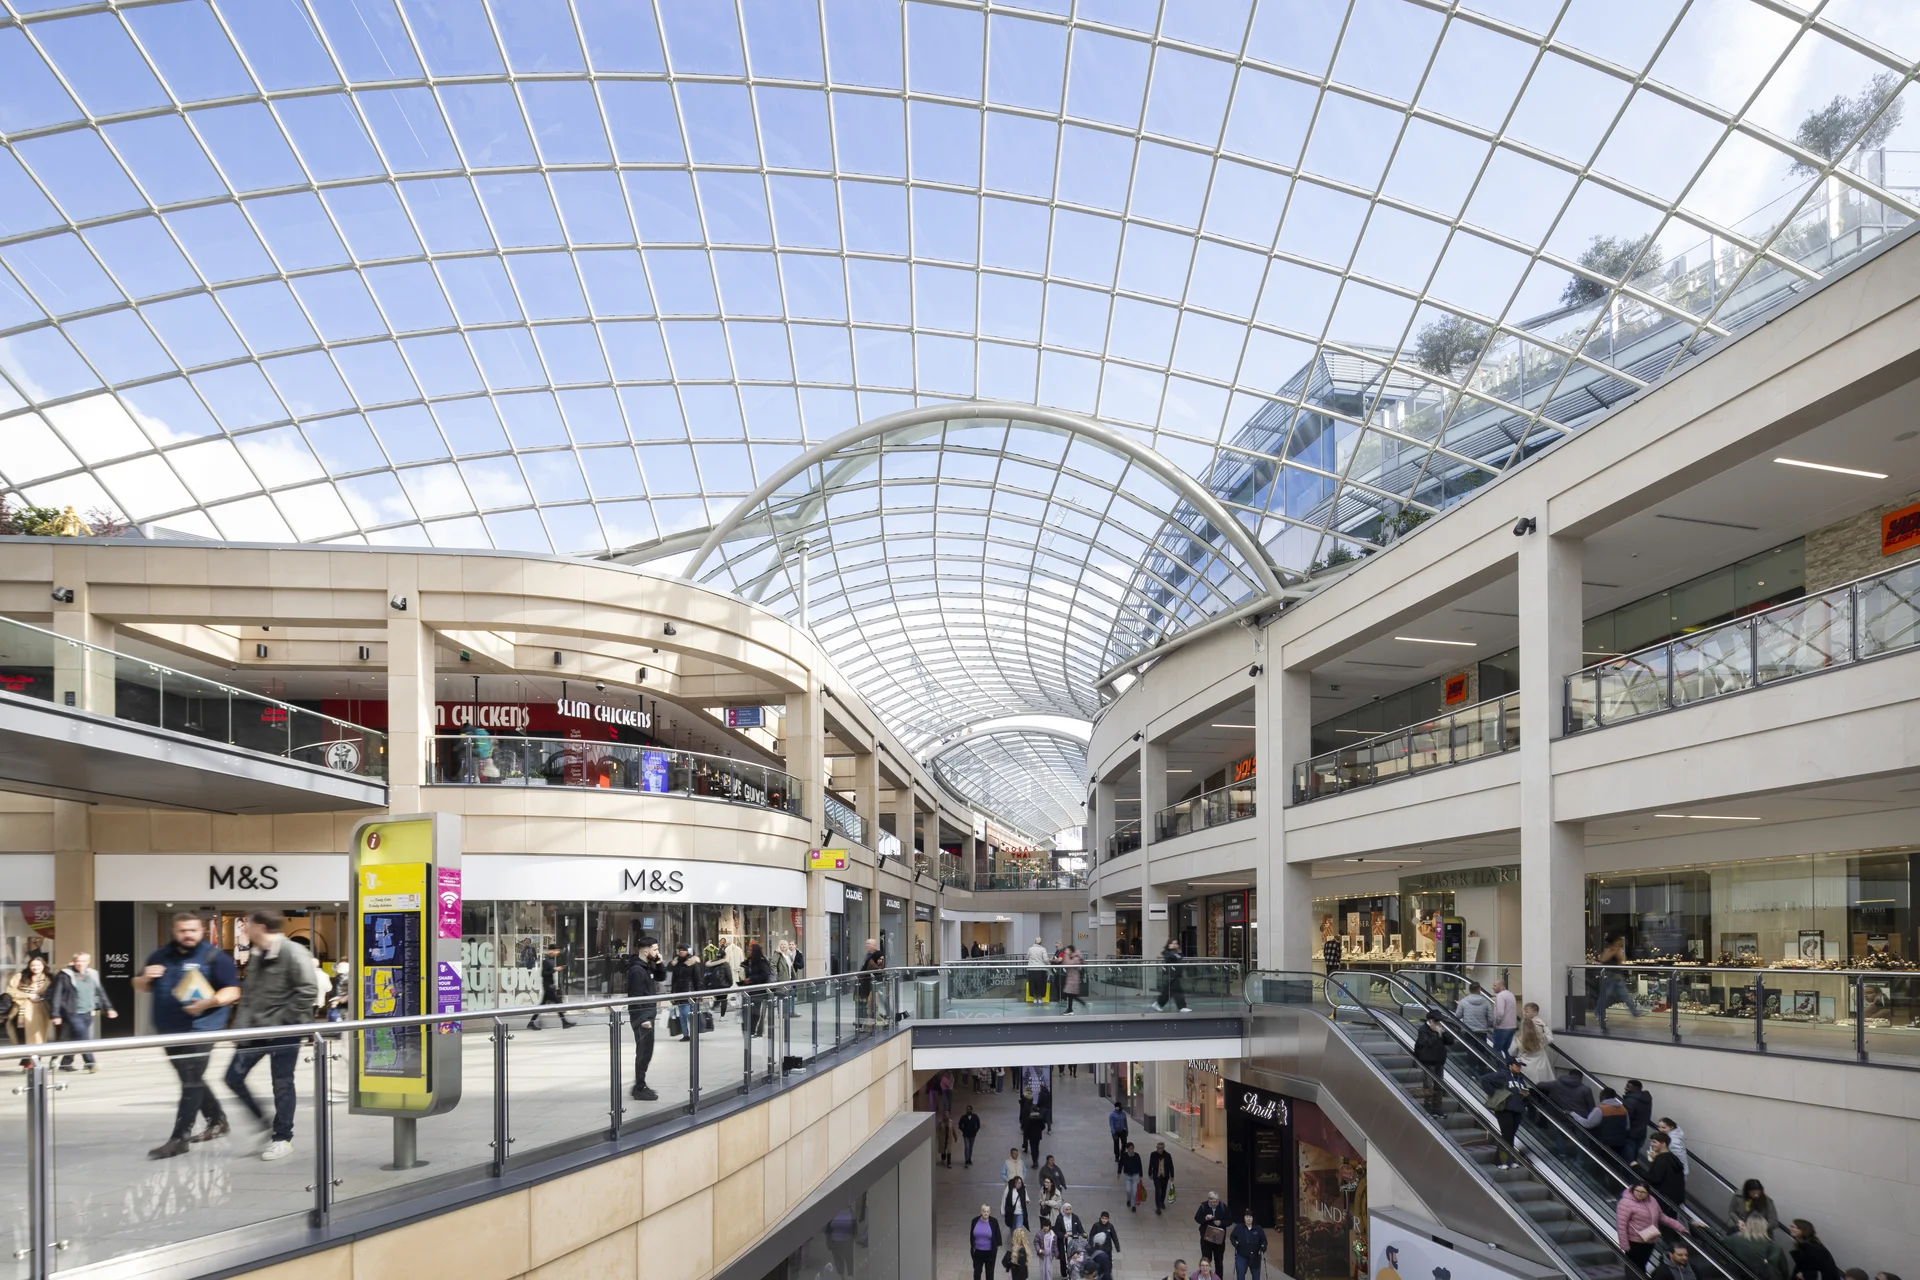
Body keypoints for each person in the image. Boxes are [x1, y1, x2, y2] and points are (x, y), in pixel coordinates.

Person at [136, 912, 241, 1159]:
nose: (188, 935)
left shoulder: (214, 957)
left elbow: (233, 990)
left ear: (202, 930)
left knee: (191, 1079)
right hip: (168, 1030)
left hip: (202, 1029)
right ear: (175, 931)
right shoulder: (160, 955)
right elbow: (139, 987)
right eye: (183, 930)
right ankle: (218, 1120)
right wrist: (143, 977)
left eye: (192, 930)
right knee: (191, 1077)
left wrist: (208, 1002)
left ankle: (180, 1138)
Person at [222, 910, 317, 1161]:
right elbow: (249, 997)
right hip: (256, 1030)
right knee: (232, 1077)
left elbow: (308, 990)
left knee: (282, 1082)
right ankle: (264, 1124)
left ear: (260, 927)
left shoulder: (292, 952)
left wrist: (284, 1020)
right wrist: (240, 1029)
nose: (244, 930)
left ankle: (282, 1137)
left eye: (247, 925)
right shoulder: (256, 954)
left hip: (284, 1030)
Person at [48, 951, 117, 1072]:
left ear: (88, 962)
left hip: (87, 1012)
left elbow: (100, 992)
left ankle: (65, 1063)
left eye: (83, 961)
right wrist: (55, 1014)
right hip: (71, 1012)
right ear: (74, 961)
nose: (80, 963)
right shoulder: (65, 974)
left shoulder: (92, 974)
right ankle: (91, 1063)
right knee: (83, 1037)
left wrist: (109, 1008)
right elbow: (57, 995)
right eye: (78, 961)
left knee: (74, 1038)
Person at [1615, 1182, 1687, 1275]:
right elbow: (1621, 1225)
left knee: (1642, 1266)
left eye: (1643, 1192)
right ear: (1632, 1190)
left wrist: (1679, 1227)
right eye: (1637, 1191)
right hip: (1634, 1242)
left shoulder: (1652, 1201)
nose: (1640, 1194)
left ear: (1648, 1193)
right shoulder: (1625, 1203)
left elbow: (1662, 1217)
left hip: (1650, 1240)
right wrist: (1624, 1245)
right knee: (1634, 1269)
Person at [627, 935, 665, 1101]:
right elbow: (635, 997)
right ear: (646, 950)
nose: (657, 952)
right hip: (642, 1018)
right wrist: (643, 1019)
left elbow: (661, 977)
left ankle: (639, 1085)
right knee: (643, 1052)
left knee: (646, 1052)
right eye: (655, 949)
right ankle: (639, 1088)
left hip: (648, 1015)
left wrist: (659, 962)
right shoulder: (637, 970)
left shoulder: (647, 966)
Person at [1478, 1058, 1531, 1168]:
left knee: (1510, 1136)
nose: (1519, 1067)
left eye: (1520, 1066)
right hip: (1504, 1109)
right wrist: (1495, 1094)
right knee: (1507, 1135)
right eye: (1516, 1065)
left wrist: (1525, 1096)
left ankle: (1508, 1160)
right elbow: (1484, 1079)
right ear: (1510, 1065)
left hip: (1518, 1110)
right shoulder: (1503, 1075)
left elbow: (1524, 1093)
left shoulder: (1520, 1079)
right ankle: (1500, 1161)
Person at [6, 953, 53, 1068]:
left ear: (43, 965)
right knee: (21, 1036)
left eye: (38, 965)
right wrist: (28, 995)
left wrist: (41, 997)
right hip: (20, 1011)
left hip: (39, 1011)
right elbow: (10, 991)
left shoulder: (49, 978)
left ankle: (33, 1062)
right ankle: (26, 1061)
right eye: (33, 965)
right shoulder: (20, 976)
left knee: (37, 1037)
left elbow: (52, 993)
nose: (35, 968)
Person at [1573, 1085, 1636, 1166]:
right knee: (1615, 1165)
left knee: (1603, 1165)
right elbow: (1627, 1127)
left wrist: (1573, 1114)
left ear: (1603, 1096)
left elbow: (1588, 1124)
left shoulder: (1600, 1109)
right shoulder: (1623, 1109)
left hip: (1603, 1144)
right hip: (1620, 1143)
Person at [1595, 933, 1642, 1030]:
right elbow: (1604, 959)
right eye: (1620, 940)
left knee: (1622, 994)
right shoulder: (1611, 949)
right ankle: (1598, 1011)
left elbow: (1620, 961)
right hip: (1610, 975)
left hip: (1615, 975)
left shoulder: (1614, 949)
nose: (1621, 942)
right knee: (1606, 994)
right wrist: (1614, 952)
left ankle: (1634, 1012)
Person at [1723, 1215, 1792, 1280]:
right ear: (1765, 1227)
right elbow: (1784, 1272)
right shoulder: (1775, 1246)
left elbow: (1719, 1244)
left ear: (1748, 1225)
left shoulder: (1735, 1238)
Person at [1411, 1011, 1455, 1114]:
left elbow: (1450, 1042)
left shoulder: (1440, 1029)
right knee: (1428, 1085)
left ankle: (1437, 1108)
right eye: (1436, 1021)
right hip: (1428, 1060)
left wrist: (1443, 1033)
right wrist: (1435, 1033)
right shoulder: (1423, 1030)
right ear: (1430, 1021)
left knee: (1439, 1085)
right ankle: (1428, 1108)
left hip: (1439, 1060)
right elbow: (1426, 1043)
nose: (1439, 1023)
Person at [529, 942, 574, 1030]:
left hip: (549, 985)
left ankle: (531, 1023)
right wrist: (555, 969)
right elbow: (543, 974)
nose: (557, 952)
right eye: (556, 950)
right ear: (551, 951)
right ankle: (564, 1022)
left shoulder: (551, 960)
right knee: (557, 1004)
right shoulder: (546, 961)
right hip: (547, 986)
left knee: (542, 1005)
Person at [1635, 1133, 1687, 1207]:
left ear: (1663, 1144)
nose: (1651, 1144)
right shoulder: (1673, 1158)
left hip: (1662, 1199)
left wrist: (1636, 1167)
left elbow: (1655, 1178)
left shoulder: (1661, 1159)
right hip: (1674, 1199)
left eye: (1654, 1142)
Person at [1514, 1002, 1554, 1082]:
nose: (1524, 1013)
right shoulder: (1542, 1035)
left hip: (1526, 1065)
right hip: (1540, 1063)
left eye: (1527, 1011)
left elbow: (1512, 1051)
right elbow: (1549, 1038)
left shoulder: (1535, 1024)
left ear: (1535, 1012)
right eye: (1524, 1011)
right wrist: (1545, 1026)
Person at [668, 943, 701, 1040]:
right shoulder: (677, 963)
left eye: (683, 950)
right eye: (680, 950)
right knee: (682, 1015)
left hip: (689, 991)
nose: (681, 951)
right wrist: (672, 994)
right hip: (679, 992)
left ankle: (694, 1033)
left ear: (688, 951)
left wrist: (699, 993)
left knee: (688, 1014)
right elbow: (673, 979)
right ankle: (685, 1035)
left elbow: (698, 978)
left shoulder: (693, 962)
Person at [742, 940, 772, 1038]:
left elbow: (765, 974)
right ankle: (750, 1030)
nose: (748, 951)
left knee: (755, 1011)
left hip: (759, 990)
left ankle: (753, 1031)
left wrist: (751, 979)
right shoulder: (749, 962)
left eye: (750, 950)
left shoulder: (761, 961)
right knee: (749, 1010)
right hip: (750, 990)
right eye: (747, 950)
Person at [1153, 938, 1192, 1012]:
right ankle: (1182, 1007)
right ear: (1169, 944)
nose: (1175, 945)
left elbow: (1181, 957)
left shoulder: (1176, 952)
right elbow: (1170, 957)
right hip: (1171, 974)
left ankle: (1158, 1003)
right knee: (1177, 990)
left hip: (1176, 974)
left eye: (1176, 943)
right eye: (1173, 943)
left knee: (1168, 992)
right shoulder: (1167, 952)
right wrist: (1176, 953)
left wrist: (1178, 952)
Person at [1196, 1191, 1230, 1273]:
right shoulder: (1203, 1206)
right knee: (1206, 1260)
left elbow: (1229, 1220)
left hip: (1219, 1238)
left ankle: (1218, 1277)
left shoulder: (1223, 1206)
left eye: (1215, 1202)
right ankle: (1205, 1276)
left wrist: (1221, 1223)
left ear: (1218, 1200)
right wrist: (1206, 1218)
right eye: (1211, 1202)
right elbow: (1197, 1218)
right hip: (1206, 1238)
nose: (1213, 1204)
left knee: (1219, 1260)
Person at [1229, 1209, 1269, 1280]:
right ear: (1244, 1218)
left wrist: (1263, 1246)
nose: (1248, 1219)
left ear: (1253, 1218)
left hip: (1255, 1256)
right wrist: (1235, 1243)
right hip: (1242, 1255)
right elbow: (1232, 1237)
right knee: (1240, 1276)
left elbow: (1264, 1241)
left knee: (1256, 1277)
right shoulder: (1238, 1227)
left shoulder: (1258, 1229)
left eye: (1250, 1217)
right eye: (1247, 1217)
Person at [969, 1204, 1003, 1280]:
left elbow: (997, 1236)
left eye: (987, 1211)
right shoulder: (975, 1221)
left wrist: (995, 1247)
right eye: (984, 1211)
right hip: (978, 1252)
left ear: (989, 1212)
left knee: (990, 1273)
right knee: (977, 1273)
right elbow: (971, 1236)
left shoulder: (994, 1221)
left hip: (990, 1253)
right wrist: (973, 1247)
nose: (986, 1213)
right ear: (981, 1211)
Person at [858, 938, 885, 1029]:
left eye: (869, 944)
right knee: (869, 1003)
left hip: (873, 982)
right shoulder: (868, 955)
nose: (867, 945)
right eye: (866, 943)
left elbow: (880, 968)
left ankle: (874, 1022)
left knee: (873, 1003)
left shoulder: (878, 955)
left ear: (874, 945)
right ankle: (867, 1022)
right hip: (865, 982)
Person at [1622, 1079, 1654, 1156]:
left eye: (1628, 1087)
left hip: (1630, 1134)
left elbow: (1626, 1118)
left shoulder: (1630, 1101)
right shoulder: (1647, 1099)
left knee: (1627, 1158)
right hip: (1642, 1132)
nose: (1625, 1088)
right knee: (1634, 1155)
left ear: (1635, 1088)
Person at [1489, 977, 1518, 1057]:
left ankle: (1501, 1068)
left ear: (1501, 986)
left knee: (1497, 1050)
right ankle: (1509, 1066)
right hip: (1512, 1027)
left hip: (1502, 1027)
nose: (1493, 987)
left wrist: (1495, 1024)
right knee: (1506, 1049)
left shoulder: (1500, 996)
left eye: (1495, 985)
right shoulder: (1511, 994)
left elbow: (1500, 1013)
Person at [1149, 1140, 1176, 1214]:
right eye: (1159, 1148)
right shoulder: (1153, 1154)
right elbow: (1150, 1164)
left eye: (1162, 1148)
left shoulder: (1167, 1155)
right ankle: (1158, 1207)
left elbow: (1171, 1166)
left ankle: (1161, 1202)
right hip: (1156, 1176)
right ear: (1156, 1148)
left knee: (1163, 1190)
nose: (1160, 1149)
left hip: (1165, 1176)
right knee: (1158, 1191)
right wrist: (1150, 1173)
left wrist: (1172, 1175)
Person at [1120, 1141, 1144, 1212]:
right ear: (1127, 1149)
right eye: (1130, 1148)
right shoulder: (1124, 1155)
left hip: (1135, 1176)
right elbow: (1121, 1164)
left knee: (1134, 1191)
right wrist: (1119, 1172)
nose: (1132, 1150)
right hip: (1127, 1176)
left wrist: (1141, 1175)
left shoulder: (1137, 1156)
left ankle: (1133, 1205)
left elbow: (1140, 1165)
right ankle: (1128, 1199)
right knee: (1128, 1190)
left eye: (1133, 1148)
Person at [1061, 946, 1085, 1014]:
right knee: (1071, 995)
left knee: (1070, 994)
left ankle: (1071, 1008)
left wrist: (1065, 955)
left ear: (1071, 951)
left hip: (1073, 979)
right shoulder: (1072, 957)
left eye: (1067, 950)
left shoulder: (1076, 958)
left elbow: (1068, 964)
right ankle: (1070, 1009)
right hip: (1070, 978)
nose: (1066, 951)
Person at [1024, 1101, 1048, 1167]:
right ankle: (1036, 1160)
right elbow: (1043, 1126)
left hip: (1031, 1136)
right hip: (1038, 1135)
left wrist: (1026, 1135)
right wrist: (1039, 1130)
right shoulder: (1040, 1118)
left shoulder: (1029, 1118)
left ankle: (1034, 1161)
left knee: (1032, 1148)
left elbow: (1026, 1127)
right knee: (1037, 1148)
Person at [1027, 937, 1052, 1003]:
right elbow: (1045, 959)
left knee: (1033, 984)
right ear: (1041, 943)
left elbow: (1027, 957)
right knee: (1041, 984)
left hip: (1031, 969)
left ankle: (1035, 999)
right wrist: (1049, 964)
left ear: (1035, 942)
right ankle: (1040, 999)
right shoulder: (1043, 949)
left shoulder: (1030, 949)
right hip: (1041, 969)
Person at [1109, 1099, 1130, 1170]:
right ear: (1116, 1107)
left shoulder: (1123, 1114)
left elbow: (1125, 1122)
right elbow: (1111, 1125)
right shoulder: (1112, 1115)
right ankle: (1117, 1156)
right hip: (1116, 1132)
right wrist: (1113, 1132)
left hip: (1122, 1131)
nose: (1121, 1108)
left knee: (1124, 1143)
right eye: (1120, 1107)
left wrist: (1127, 1130)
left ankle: (1122, 1152)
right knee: (1116, 1144)